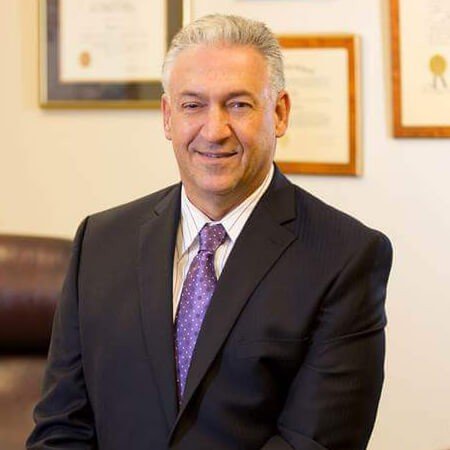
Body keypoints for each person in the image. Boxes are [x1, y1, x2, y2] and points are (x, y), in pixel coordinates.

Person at [27, 14, 393, 450]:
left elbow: (311, 443)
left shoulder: (345, 257)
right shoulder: (100, 242)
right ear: (168, 117)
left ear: (279, 113)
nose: (214, 131)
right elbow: (61, 428)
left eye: (238, 105)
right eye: (192, 105)